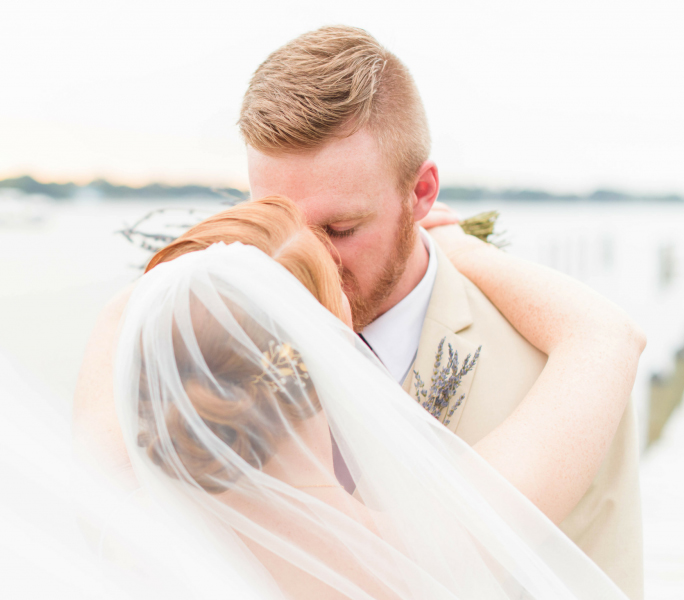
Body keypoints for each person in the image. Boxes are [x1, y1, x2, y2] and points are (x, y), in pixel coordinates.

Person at [76, 24, 643, 599]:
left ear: (421, 194)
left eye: (340, 228)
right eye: (275, 214)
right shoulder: (190, 351)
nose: (307, 257)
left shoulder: (545, 371)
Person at [89, 196, 643, 599]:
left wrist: (226, 270)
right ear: (327, 348)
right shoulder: (427, 553)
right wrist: (451, 246)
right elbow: (606, 336)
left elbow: (122, 315)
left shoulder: (125, 526)